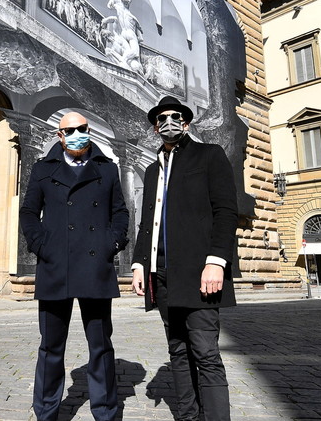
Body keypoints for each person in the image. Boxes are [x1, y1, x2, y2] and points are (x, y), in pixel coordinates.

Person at [131, 96, 240, 421]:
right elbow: (147, 221)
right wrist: (139, 263)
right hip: (162, 275)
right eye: (162, 118)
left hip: (199, 273)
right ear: (155, 126)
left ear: (187, 123)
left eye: (175, 116)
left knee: (205, 353)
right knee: (177, 350)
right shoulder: (152, 171)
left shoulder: (209, 156)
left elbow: (225, 211)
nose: (168, 122)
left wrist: (216, 261)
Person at [20, 112, 130, 421]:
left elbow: (120, 212)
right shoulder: (43, 169)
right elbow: (29, 212)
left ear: (89, 131)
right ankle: (46, 413)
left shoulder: (107, 170)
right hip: (56, 265)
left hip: (95, 266)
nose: (77, 134)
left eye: (82, 129)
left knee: (100, 345)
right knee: (51, 347)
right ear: (59, 135)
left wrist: (112, 243)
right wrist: (42, 244)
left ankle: (106, 412)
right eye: (69, 130)